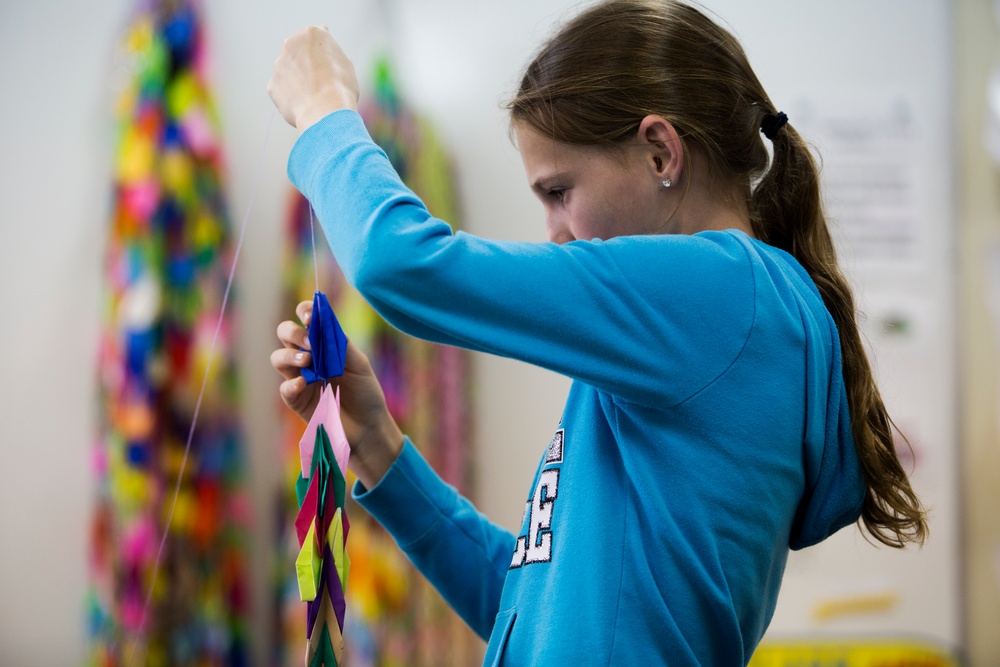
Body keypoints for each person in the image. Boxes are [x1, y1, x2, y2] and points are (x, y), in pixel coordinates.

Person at [267, 1, 927, 664]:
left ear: (660, 152)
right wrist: (379, 445)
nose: (554, 230)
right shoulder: (697, 330)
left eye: (559, 191)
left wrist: (325, 110)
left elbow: (399, 263)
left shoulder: (722, 290)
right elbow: (528, 612)